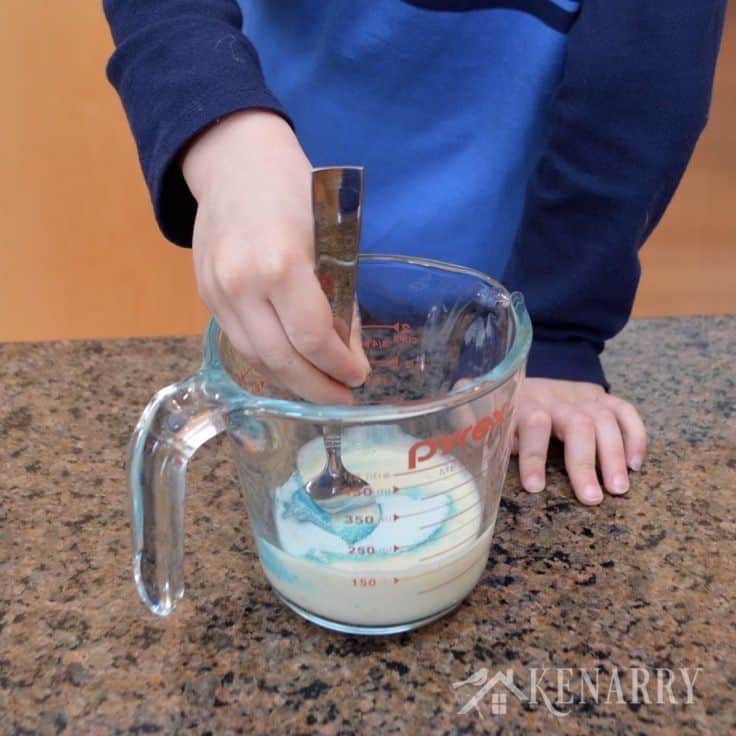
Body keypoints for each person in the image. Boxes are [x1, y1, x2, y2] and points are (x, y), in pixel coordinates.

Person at [103, 0, 725, 505]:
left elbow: (648, 69)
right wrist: (224, 139)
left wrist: (559, 329)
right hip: (279, 220)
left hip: (517, 268)